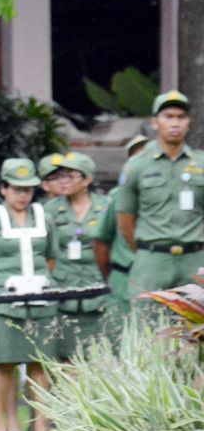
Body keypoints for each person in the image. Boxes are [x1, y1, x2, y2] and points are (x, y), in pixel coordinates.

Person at [0, 158, 58, 431]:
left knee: (39, 363)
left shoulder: (44, 216)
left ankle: (40, 423)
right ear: (4, 189)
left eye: (28, 189)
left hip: (40, 298)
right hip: (3, 302)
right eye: (17, 189)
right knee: (3, 362)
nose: (23, 195)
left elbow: (52, 257)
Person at [115, 91, 204, 306]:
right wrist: (148, 250)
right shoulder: (137, 165)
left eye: (181, 117)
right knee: (147, 327)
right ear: (155, 123)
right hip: (152, 260)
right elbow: (125, 220)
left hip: (195, 259)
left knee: (198, 331)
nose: (175, 123)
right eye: (168, 116)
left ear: (189, 122)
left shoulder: (201, 163)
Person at [44, 152, 110, 355]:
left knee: (100, 350)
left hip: (98, 283)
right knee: (64, 352)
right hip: (63, 285)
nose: (63, 181)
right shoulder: (50, 209)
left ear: (87, 180)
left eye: (71, 176)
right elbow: (45, 251)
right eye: (61, 176)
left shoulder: (106, 206)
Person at [94, 135, 149, 321]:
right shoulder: (117, 197)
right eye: (136, 158)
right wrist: (115, 275)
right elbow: (101, 243)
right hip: (124, 277)